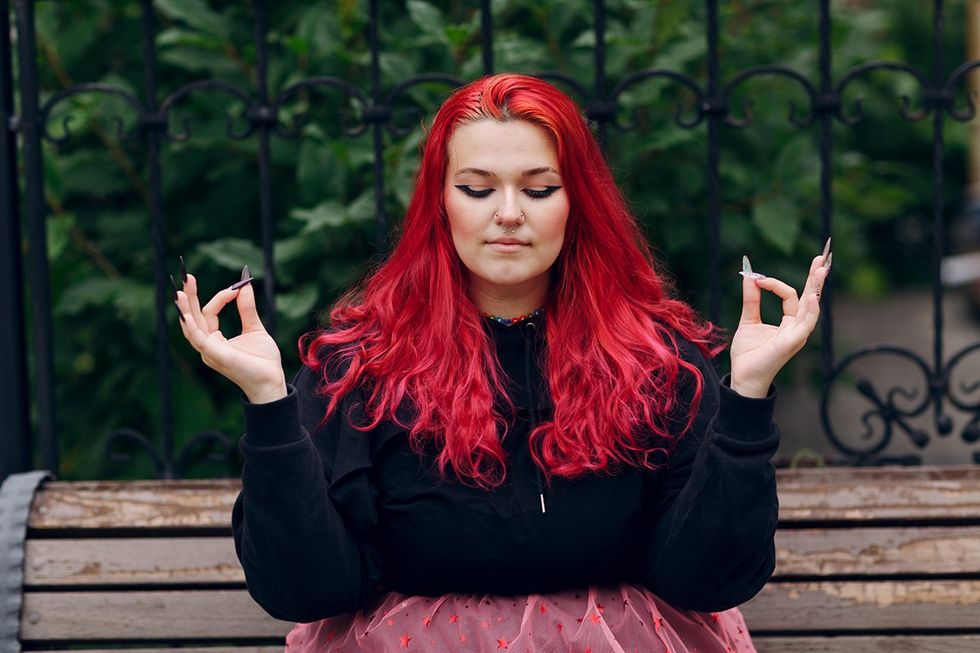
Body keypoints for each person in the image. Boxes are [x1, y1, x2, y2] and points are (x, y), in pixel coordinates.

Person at [174, 73, 830, 653]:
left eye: (539, 189)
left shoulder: (657, 361)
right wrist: (269, 404)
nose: (509, 215)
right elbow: (305, 589)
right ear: (440, 201)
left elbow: (705, 580)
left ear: (577, 203)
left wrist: (748, 396)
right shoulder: (362, 366)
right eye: (477, 188)